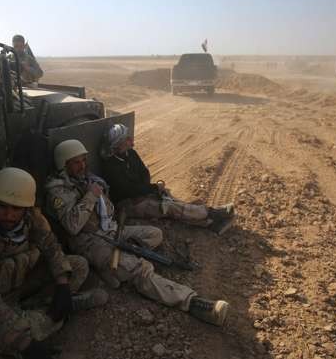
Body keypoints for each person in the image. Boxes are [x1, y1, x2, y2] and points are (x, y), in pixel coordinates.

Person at [45, 139, 230, 326]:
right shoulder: (58, 191)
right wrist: (91, 195)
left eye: (83, 160)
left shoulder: (86, 180)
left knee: (154, 234)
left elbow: (108, 210)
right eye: (76, 162)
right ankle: (192, 302)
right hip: (90, 242)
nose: (82, 165)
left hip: (111, 230)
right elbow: (73, 226)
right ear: (64, 163)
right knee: (139, 269)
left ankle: (117, 264)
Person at [0, 167, 107, 358]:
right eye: (2, 206)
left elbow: (51, 247)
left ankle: (48, 308)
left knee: (78, 265)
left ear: (25, 208)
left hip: (24, 282)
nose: (9, 215)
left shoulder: (31, 217)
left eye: (16, 208)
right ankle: (53, 315)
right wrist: (24, 343)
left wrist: (62, 285)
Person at [101, 124, 235, 235]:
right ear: (118, 144)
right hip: (127, 204)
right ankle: (213, 213)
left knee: (170, 199)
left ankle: (210, 223)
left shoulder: (130, 153)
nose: (131, 141)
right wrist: (151, 189)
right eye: (127, 139)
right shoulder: (110, 165)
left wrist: (149, 189)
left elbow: (144, 173)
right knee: (168, 207)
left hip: (141, 194)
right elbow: (127, 191)